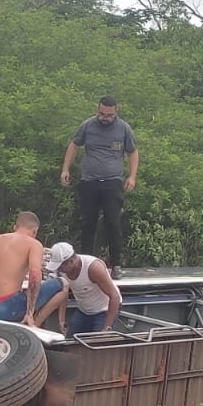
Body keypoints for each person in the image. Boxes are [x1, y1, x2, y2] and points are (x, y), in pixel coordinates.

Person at [61, 96, 138, 278]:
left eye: (109, 115)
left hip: (112, 182)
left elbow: (132, 152)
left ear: (115, 112)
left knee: (112, 222)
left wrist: (132, 176)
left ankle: (116, 264)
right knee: (88, 223)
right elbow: (74, 145)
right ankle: (86, 263)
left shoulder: (123, 128)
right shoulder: (88, 125)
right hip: (89, 181)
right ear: (98, 110)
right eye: (101, 114)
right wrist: (65, 169)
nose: (105, 118)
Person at [0, 212, 63, 325]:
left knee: (22, 293)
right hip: (10, 308)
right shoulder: (34, 244)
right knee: (62, 284)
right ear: (35, 231)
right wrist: (30, 312)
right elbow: (35, 275)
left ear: (15, 227)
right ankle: (34, 324)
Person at [38, 243, 123, 335]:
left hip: (104, 310)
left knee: (98, 341)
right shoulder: (61, 271)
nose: (59, 269)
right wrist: (61, 319)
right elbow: (63, 293)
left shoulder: (93, 268)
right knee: (70, 339)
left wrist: (107, 327)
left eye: (61, 266)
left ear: (71, 261)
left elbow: (115, 296)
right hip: (84, 310)